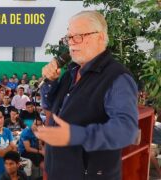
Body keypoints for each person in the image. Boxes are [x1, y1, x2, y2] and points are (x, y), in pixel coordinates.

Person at [35, 11, 138, 179]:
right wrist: (51, 82)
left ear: (100, 37)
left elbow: (127, 130)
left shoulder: (117, 78)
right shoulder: (72, 72)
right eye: (69, 37)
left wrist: (75, 135)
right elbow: (50, 106)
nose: (71, 43)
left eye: (79, 36)